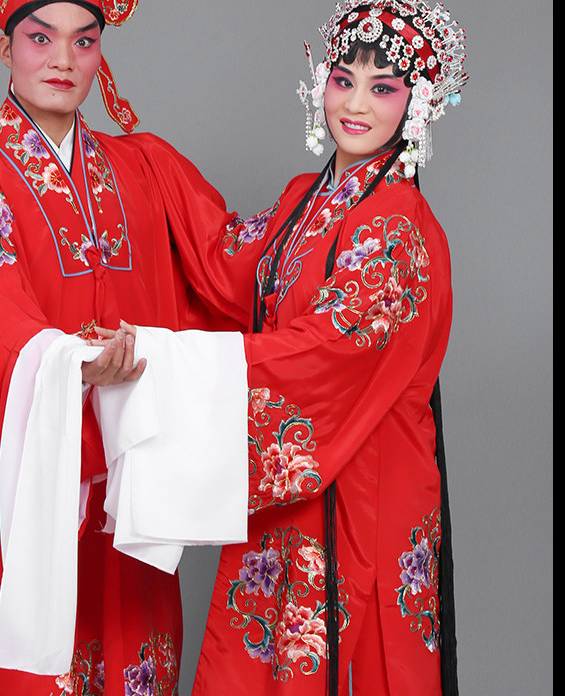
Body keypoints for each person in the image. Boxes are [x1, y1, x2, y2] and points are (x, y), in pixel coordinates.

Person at [100, 1, 467, 694]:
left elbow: (323, 353)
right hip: (297, 478)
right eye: (343, 80)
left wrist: (168, 359)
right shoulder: (307, 198)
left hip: (367, 485)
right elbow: (222, 266)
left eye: (383, 88)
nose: (354, 105)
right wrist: (136, 160)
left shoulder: (398, 226)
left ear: (417, 104)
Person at [0, 1, 256, 693]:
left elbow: (233, 266)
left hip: (130, 478)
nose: (62, 61)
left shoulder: (146, 167)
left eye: (84, 41)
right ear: (4, 48)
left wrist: (337, 202)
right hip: (37, 475)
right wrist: (73, 363)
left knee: (134, 650)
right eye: (40, 38)